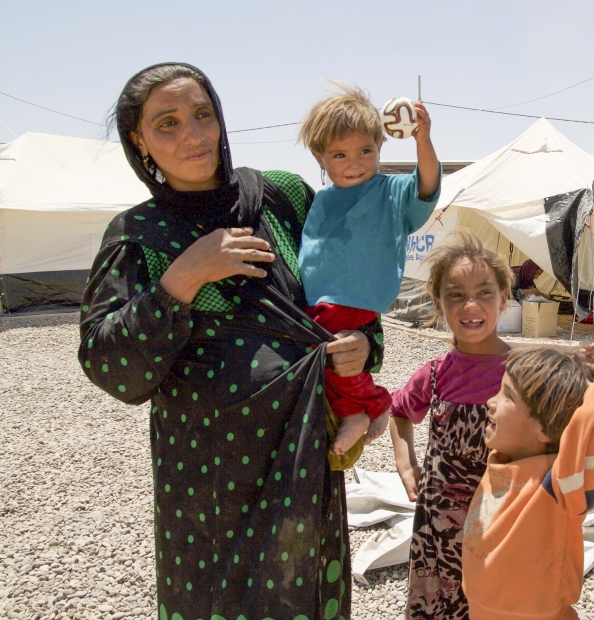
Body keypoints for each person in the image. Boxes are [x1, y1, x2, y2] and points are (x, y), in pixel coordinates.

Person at [78, 63, 382, 619]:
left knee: (305, 589)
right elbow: (109, 365)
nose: (193, 135)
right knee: (213, 598)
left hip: (301, 453)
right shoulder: (137, 236)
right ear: (138, 142)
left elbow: (351, 282)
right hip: (206, 478)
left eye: (203, 114)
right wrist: (185, 276)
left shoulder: (281, 198)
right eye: (166, 124)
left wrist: (361, 341)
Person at [297, 83, 440, 460]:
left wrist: (422, 141)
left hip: (354, 297)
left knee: (326, 352)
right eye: (339, 154)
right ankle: (359, 405)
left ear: (380, 147)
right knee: (322, 356)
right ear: (320, 157)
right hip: (322, 300)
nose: (355, 162)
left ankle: (367, 406)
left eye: (365, 150)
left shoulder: (389, 192)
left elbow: (426, 187)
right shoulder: (322, 199)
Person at [390, 229, 514, 619]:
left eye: (484, 292)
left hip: (500, 522)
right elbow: (398, 411)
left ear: (504, 298)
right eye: (455, 294)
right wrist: (406, 464)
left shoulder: (523, 373)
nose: (470, 304)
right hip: (438, 532)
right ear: (439, 303)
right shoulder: (436, 374)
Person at [462, 343, 594, 619]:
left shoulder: (561, 483)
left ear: (544, 429)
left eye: (507, 396)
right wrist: (571, 362)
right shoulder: (504, 456)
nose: (491, 402)